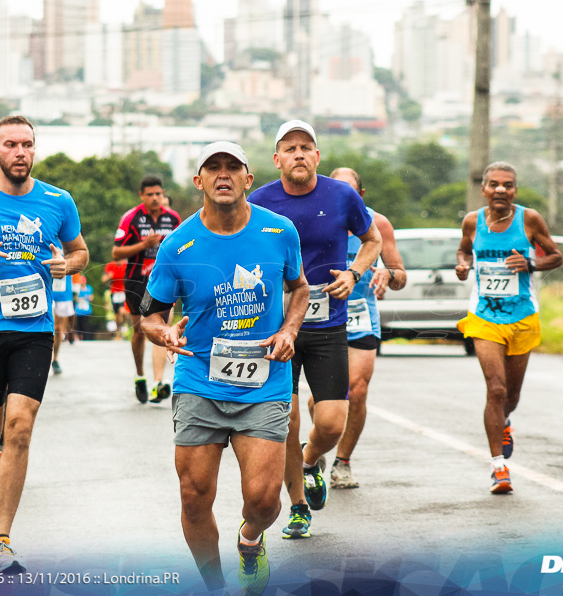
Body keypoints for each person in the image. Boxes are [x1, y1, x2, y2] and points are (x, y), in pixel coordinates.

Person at [141, 141, 308, 594]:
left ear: (248, 179)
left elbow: (300, 290)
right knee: (195, 497)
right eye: (212, 168)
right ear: (198, 181)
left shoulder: (280, 232)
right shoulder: (178, 245)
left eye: (232, 168)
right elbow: (150, 316)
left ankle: (250, 540)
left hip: (265, 381)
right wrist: (165, 334)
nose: (223, 175)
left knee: (263, 500)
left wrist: (290, 329)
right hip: (199, 381)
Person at [0, 115, 88, 573]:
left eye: (27, 144)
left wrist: (69, 263)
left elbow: (80, 250)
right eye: (10, 145)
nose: (20, 152)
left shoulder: (57, 200)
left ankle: (1, 540)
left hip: (34, 331)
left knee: (21, 428)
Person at [247, 120, 381, 540]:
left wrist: (355, 272)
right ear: (277, 159)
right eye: (290, 148)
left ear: (317, 156)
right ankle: (299, 507)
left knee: (331, 422)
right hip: (276, 326)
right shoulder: (259, 201)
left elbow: (372, 239)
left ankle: (310, 462)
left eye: (306, 147)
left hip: (327, 323)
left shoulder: (341, 195)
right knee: (284, 420)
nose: (299, 154)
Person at [456, 161, 562, 495]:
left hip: (522, 316)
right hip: (484, 315)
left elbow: (556, 256)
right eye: (494, 184)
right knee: (497, 389)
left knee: (511, 396)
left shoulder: (529, 219)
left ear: (515, 190)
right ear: (484, 188)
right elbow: (463, 250)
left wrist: (531, 263)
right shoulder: (472, 221)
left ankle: (504, 424)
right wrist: (463, 264)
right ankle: (499, 468)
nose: (501, 190)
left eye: (508, 185)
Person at [308, 168, 407, 489]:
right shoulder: (314, 218)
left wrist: (387, 276)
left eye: (349, 191)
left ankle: (343, 462)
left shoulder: (378, 224)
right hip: (320, 316)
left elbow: (400, 275)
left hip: (361, 315)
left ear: (359, 196)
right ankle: (320, 442)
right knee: (323, 402)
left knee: (358, 390)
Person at [112, 176, 182, 404]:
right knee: (139, 332)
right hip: (136, 282)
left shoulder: (173, 219)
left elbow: (183, 249)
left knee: (162, 327)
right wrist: (144, 245)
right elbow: (116, 253)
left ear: (163, 194)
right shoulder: (131, 218)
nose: (154, 198)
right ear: (141, 195)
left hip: (163, 282)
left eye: (158, 194)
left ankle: (159, 382)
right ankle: (140, 375)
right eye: (149, 194)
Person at [50, 249, 74, 374]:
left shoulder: (68, 241)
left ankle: (55, 358)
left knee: (59, 329)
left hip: (64, 293)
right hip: (46, 290)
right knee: (51, 326)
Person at [102, 258, 127, 340]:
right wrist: (109, 276)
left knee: (122, 311)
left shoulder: (126, 265)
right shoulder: (110, 266)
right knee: (116, 315)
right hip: (114, 293)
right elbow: (103, 279)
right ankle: (118, 331)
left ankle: (123, 325)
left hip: (123, 292)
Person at [73, 275, 94, 340]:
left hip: (86, 309)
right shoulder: (77, 289)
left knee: (86, 324)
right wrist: (78, 299)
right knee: (79, 324)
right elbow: (74, 298)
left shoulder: (89, 288)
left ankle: (85, 337)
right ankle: (79, 336)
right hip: (79, 309)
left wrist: (89, 297)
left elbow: (91, 297)